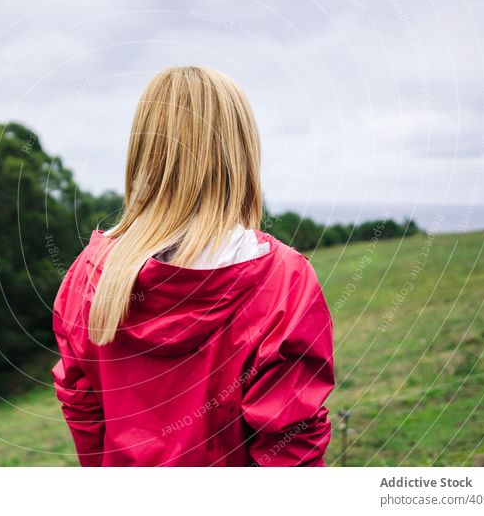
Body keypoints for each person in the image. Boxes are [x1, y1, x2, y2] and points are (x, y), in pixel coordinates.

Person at [51, 66, 334, 467]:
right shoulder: (284, 280)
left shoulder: (86, 275)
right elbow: (290, 445)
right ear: (240, 151)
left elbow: (85, 416)